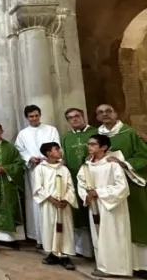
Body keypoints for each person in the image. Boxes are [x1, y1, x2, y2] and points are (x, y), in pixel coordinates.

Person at [96, 103, 147, 274]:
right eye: (101, 112)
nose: (105, 114)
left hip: (131, 183)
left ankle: (141, 264)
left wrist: (123, 164)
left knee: (137, 222)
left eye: (108, 111)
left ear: (116, 113)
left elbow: (143, 155)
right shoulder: (97, 135)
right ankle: (118, 263)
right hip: (108, 188)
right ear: (97, 117)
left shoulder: (129, 133)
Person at [77, 134, 134, 278]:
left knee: (114, 236)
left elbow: (122, 188)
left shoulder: (112, 164)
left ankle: (118, 268)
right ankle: (103, 265)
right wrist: (86, 195)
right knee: (99, 236)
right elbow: (81, 182)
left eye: (93, 144)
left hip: (112, 207)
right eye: (88, 144)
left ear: (103, 147)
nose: (89, 147)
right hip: (94, 205)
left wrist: (99, 192)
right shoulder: (87, 165)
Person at [14, 104, 60, 245]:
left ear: (40, 115)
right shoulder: (23, 133)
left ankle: (53, 235)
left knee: (51, 198)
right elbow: (19, 150)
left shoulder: (51, 130)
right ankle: (38, 236)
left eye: (36, 116)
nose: (34, 118)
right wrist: (30, 158)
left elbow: (56, 146)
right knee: (35, 201)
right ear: (27, 118)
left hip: (50, 169)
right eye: (31, 116)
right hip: (33, 170)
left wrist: (48, 158)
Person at [33, 142, 77, 270]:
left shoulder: (64, 169)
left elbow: (70, 187)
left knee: (65, 229)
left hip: (63, 205)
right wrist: (52, 199)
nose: (60, 151)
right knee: (50, 228)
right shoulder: (40, 169)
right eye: (57, 149)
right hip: (49, 204)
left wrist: (66, 200)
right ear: (48, 153)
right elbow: (38, 188)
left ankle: (64, 255)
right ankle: (53, 253)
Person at [60, 107, 96, 258]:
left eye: (77, 116)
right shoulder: (66, 137)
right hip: (74, 178)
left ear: (83, 117)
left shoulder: (95, 133)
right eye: (70, 118)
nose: (74, 119)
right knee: (78, 213)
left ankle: (98, 250)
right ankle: (83, 249)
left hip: (94, 178)